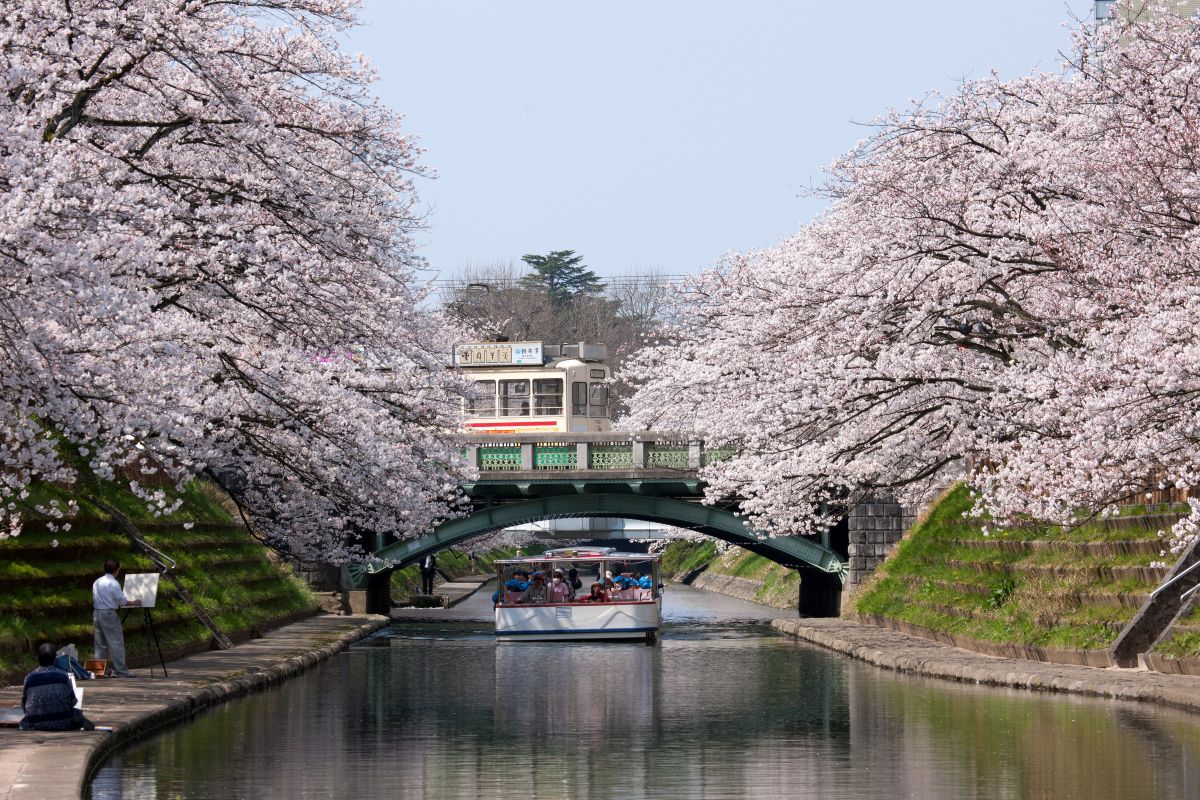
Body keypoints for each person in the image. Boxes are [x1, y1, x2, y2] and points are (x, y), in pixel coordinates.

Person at [20, 643, 95, 731]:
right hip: (62, 723)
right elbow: (73, 701)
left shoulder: (29, 678)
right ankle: (81, 722)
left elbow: (24, 704)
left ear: (37, 658)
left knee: (24, 720)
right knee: (76, 713)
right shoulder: (63, 676)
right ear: (55, 659)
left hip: (35, 723)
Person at [93, 558, 139, 678]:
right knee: (116, 643)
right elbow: (122, 601)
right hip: (108, 614)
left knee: (100, 644)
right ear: (117, 570)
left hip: (97, 613)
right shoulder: (113, 583)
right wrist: (134, 602)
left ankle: (99, 671)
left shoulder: (97, 581)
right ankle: (122, 671)